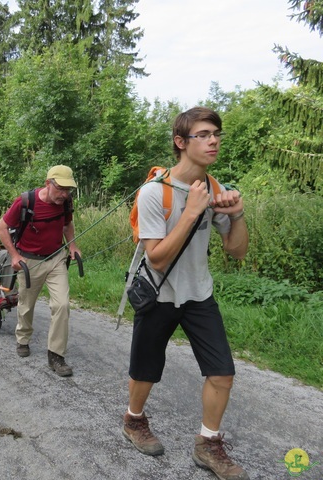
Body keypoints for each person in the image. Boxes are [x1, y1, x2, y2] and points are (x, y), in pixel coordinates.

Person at [121, 107, 249, 480]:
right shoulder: (152, 193)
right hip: (159, 294)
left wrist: (237, 215)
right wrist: (192, 213)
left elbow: (237, 251)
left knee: (222, 372)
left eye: (217, 134)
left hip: (198, 294)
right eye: (204, 135)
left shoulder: (215, 189)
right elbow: (157, 259)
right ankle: (134, 420)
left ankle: (207, 443)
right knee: (146, 370)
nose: (213, 141)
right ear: (181, 143)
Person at [0, 165, 82, 377]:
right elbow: (1, 227)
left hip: (56, 259)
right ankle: (23, 338)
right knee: (26, 305)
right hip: (30, 262)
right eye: (60, 189)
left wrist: (72, 245)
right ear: (48, 183)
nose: (64, 194)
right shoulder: (26, 201)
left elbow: (67, 225)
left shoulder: (66, 203)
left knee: (62, 305)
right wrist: (15, 255)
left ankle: (56, 355)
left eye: (67, 190)